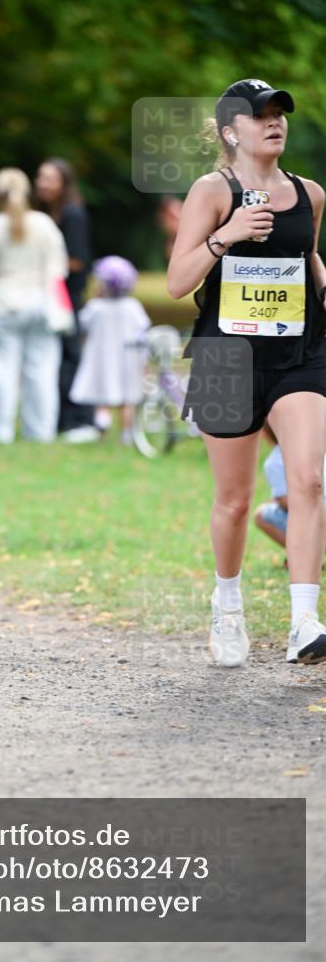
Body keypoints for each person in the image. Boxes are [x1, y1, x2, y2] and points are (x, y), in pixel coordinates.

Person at [167, 78, 326, 668]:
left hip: (298, 355)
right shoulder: (212, 190)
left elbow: (306, 258)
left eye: (280, 112)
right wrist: (226, 236)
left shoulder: (310, 194)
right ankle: (227, 602)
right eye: (261, 115)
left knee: (308, 480)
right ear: (232, 131)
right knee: (234, 501)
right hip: (223, 357)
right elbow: (178, 280)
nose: (275, 122)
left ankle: (304, 621)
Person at [0, 167, 68, 444]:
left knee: (0, 371)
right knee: (42, 371)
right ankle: (41, 431)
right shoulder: (44, 224)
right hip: (41, 304)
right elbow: (57, 268)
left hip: (1, 305)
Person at [34, 157, 98, 442]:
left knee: (70, 358)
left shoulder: (72, 214)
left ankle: (81, 421)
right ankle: (63, 419)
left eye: (49, 178)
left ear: (64, 184)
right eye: (40, 178)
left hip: (67, 296)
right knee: (57, 358)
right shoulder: (47, 215)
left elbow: (77, 261)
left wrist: (38, 269)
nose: (42, 184)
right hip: (52, 295)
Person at [70, 256, 151, 446]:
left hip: (102, 359)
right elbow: (143, 330)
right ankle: (126, 434)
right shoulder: (132, 307)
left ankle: (101, 427)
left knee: (102, 397)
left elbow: (83, 324)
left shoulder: (96, 307)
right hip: (128, 359)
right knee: (127, 399)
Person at [254, 422, 326, 555]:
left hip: (318, 524)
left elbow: (287, 502)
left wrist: (277, 501)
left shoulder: (274, 462)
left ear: (265, 434)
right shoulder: (314, 450)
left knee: (261, 515)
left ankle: (303, 556)